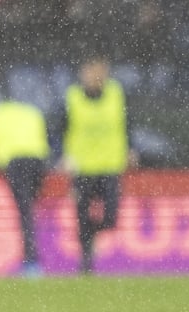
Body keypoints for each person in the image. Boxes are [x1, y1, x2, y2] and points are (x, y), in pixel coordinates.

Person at [56, 56, 135, 274]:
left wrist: (131, 148)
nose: (96, 76)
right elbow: (60, 128)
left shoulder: (116, 94)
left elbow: (128, 123)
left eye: (100, 70)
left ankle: (90, 234)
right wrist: (62, 155)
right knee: (81, 214)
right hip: (82, 167)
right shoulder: (72, 98)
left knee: (111, 217)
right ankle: (86, 262)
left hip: (110, 165)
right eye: (91, 71)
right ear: (83, 73)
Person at [0, 92, 51, 276]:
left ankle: (31, 261)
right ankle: (34, 256)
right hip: (38, 160)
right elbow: (45, 134)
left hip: (16, 162)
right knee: (30, 208)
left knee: (25, 211)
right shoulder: (29, 111)